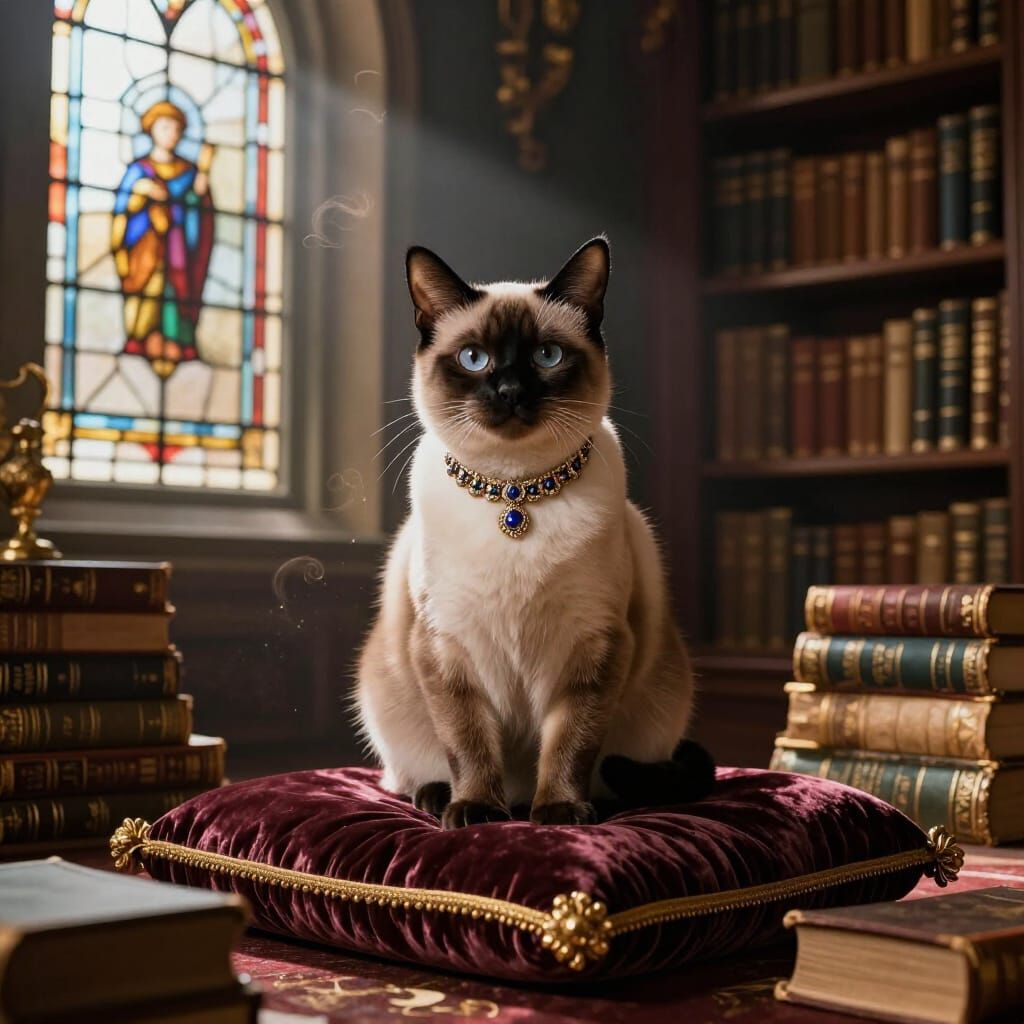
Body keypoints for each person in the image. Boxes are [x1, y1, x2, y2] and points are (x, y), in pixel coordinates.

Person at [112, 100, 214, 378]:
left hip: (179, 249)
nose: (172, 133)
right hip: (146, 249)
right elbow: (123, 212)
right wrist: (141, 193)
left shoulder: (188, 171)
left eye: (177, 128)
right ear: (151, 130)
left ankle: (177, 341)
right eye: (165, 127)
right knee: (149, 291)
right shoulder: (139, 170)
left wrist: (202, 179)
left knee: (177, 293)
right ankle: (141, 338)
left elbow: (199, 209)